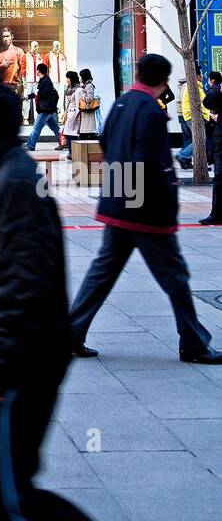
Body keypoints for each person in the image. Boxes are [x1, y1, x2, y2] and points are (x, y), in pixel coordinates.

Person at [0, 68, 160, 521]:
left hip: (11, 372)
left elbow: (28, 288)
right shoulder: (2, 179)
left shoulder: (15, 187)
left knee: (12, 496)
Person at [69, 53, 222, 365]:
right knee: (175, 275)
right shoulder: (151, 110)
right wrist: (166, 203)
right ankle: (193, 342)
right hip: (144, 209)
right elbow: (153, 163)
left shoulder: (122, 103)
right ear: (163, 80)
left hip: (118, 200)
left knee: (103, 271)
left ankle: (71, 333)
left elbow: (107, 142)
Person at [26, 62, 62, 151]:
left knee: (36, 128)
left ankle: (30, 145)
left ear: (39, 70)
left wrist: (38, 93)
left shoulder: (46, 81)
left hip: (45, 110)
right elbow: (37, 93)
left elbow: (44, 93)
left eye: (37, 70)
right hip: (50, 110)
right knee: (55, 128)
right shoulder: (44, 80)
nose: (36, 72)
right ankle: (63, 143)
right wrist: (28, 97)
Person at [176, 68, 208, 168]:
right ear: (197, 75)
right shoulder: (193, 87)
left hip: (188, 116)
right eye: (201, 74)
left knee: (192, 139)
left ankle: (186, 158)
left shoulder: (194, 87)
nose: (202, 76)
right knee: (200, 139)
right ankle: (183, 155)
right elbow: (201, 103)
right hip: (193, 116)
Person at [200, 82, 222, 225]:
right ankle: (217, 213)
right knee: (220, 178)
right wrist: (219, 90)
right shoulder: (218, 89)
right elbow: (208, 102)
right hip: (221, 140)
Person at [0, 27, 26, 96]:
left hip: (15, 87)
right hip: (2, 88)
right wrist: (1, 66)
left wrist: (22, 87)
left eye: (7, 36)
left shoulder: (18, 51)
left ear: (12, 36)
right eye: (3, 37)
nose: (5, 39)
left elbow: (23, 70)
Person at [75, 67, 101, 141]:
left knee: (86, 135)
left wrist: (82, 93)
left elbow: (89, 99)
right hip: (86, 113)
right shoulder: (85, 86)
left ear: (84, 77)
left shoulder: (89, 86)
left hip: (88, 112)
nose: (80, 78)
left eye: (81, 76)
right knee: (86, 135)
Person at [61, 70, 81, 159]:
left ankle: (73, 152)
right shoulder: (69, 88)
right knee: (68, 133)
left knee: (71, 133)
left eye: (68, 78)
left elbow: (78, 103)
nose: (67, 80)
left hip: (74, 114)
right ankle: (71, 152)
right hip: (69, 112)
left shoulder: (77, 89)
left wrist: (77, 115)